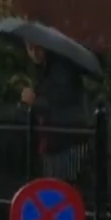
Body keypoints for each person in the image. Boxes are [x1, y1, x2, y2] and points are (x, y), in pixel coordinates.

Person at [20, 43, 91, 180]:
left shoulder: (60, 70)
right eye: (30, 48)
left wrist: (34, 101)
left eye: (37, 48)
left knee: (61, 187)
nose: (34, 53)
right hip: (54, 139)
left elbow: (59, 102)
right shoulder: (44, 69)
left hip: (66, 138)